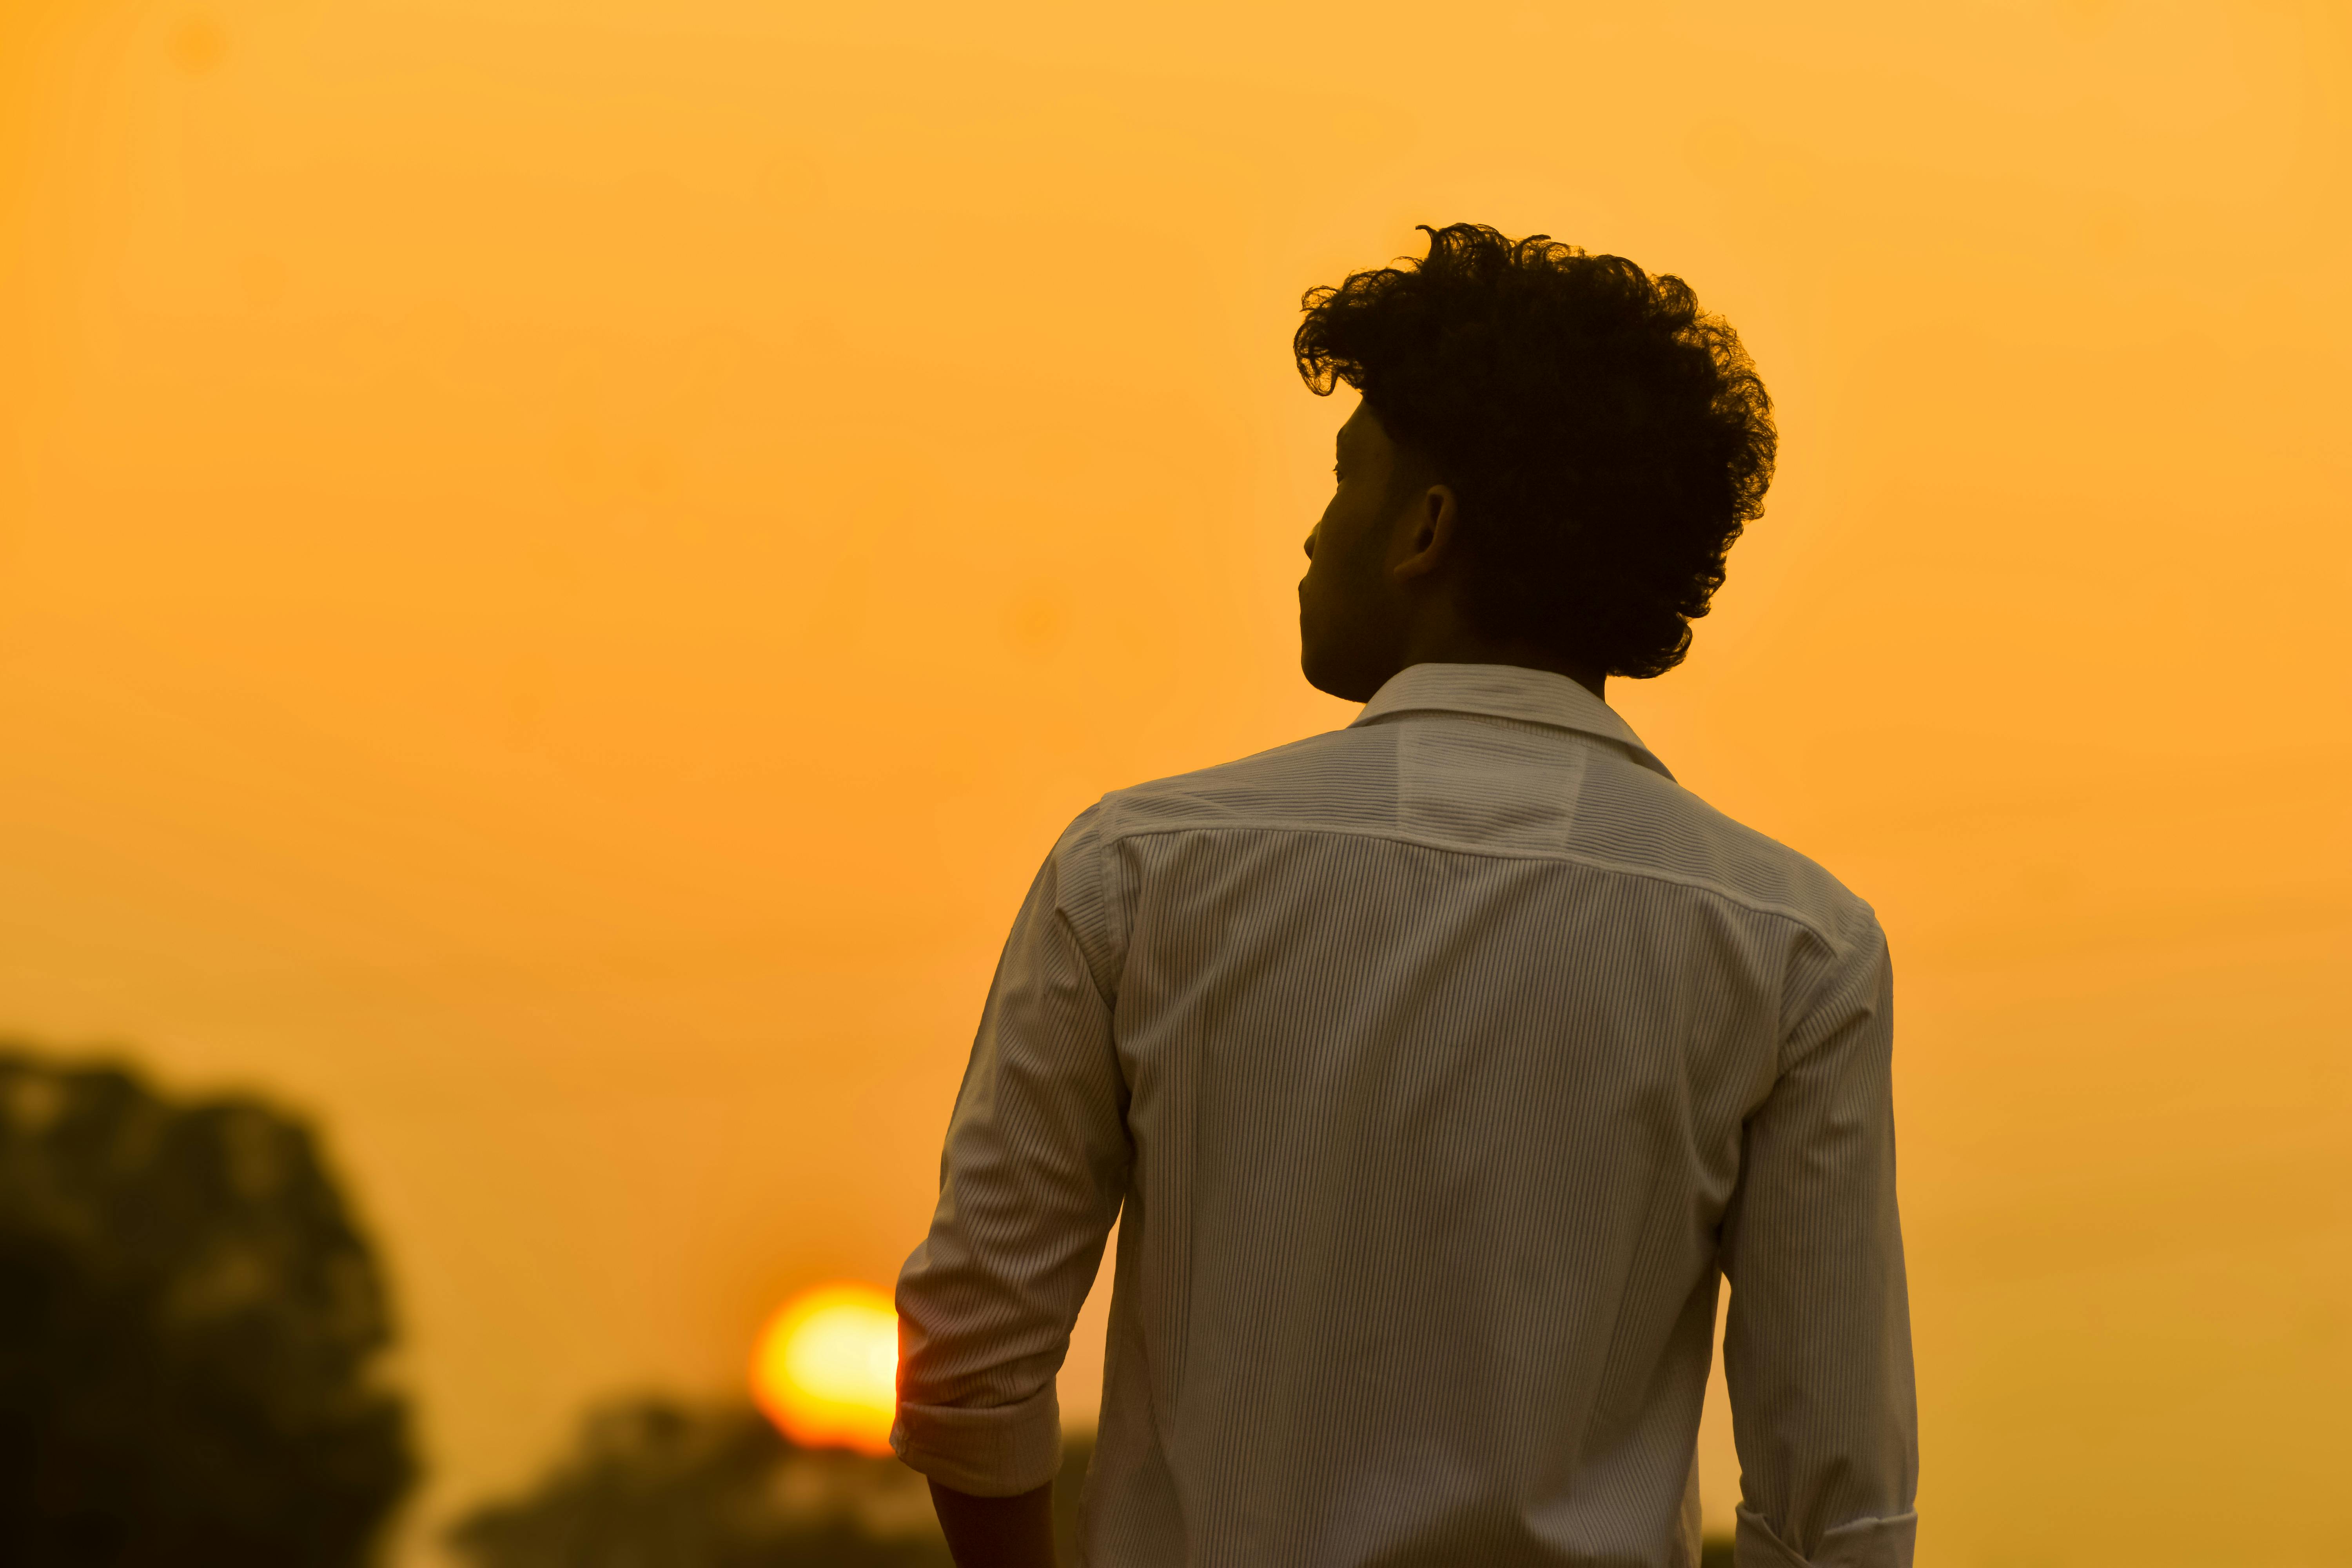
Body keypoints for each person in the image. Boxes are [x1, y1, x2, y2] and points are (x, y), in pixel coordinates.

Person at [890, 223, 1917, 1568]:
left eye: (1342, 484)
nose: (1314, 538)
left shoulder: (1137, 874)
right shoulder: (1793, 947)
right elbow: (1838, 1510)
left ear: (1426, 529)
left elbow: (969, 1358)